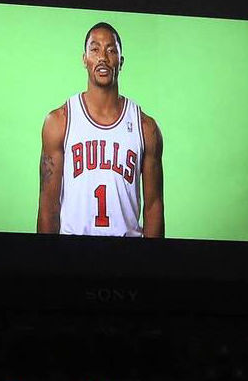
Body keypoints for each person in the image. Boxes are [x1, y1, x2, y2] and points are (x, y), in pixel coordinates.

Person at [36, 22, 164, 237]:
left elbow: (153, 207)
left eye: (111, 50)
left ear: (120, 62)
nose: (103, 57)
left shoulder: (146, 128)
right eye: (94, 49)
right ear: (84, 59)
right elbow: (48, 207)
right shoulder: (59, 121)